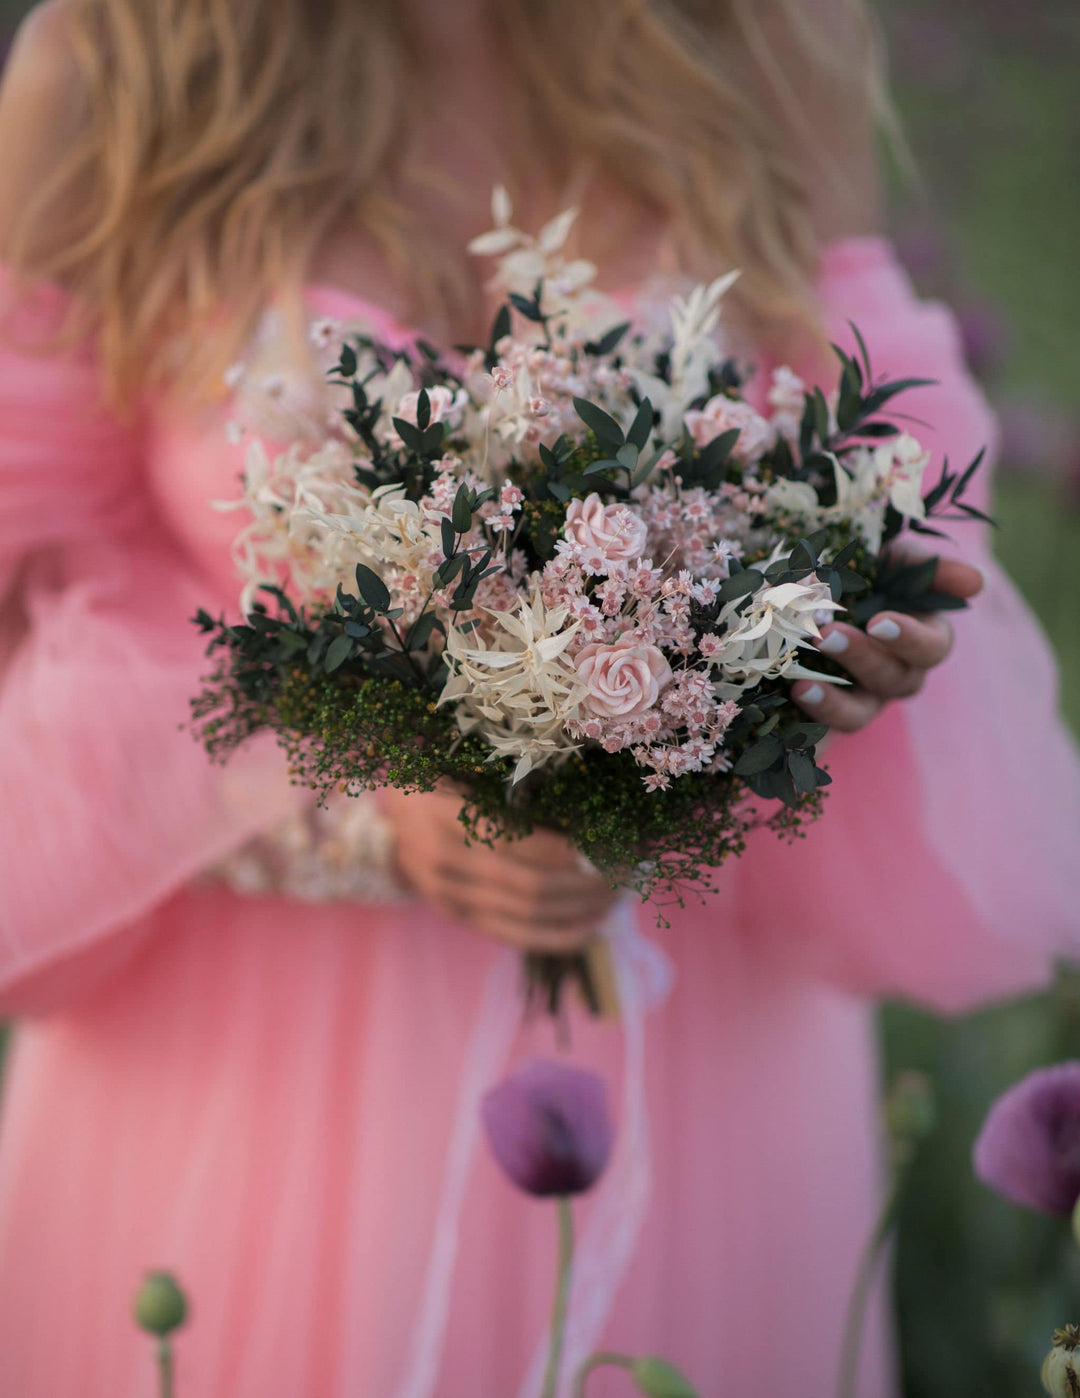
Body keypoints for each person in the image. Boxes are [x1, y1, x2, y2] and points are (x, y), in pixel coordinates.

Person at [0, 1, 1077, 1395]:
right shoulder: (117, 60)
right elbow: (33, 589)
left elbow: (885, 432)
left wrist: (854, 616)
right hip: (239, 1061)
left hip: (691, 1042)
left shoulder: (760, 32)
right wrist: (352, 798)